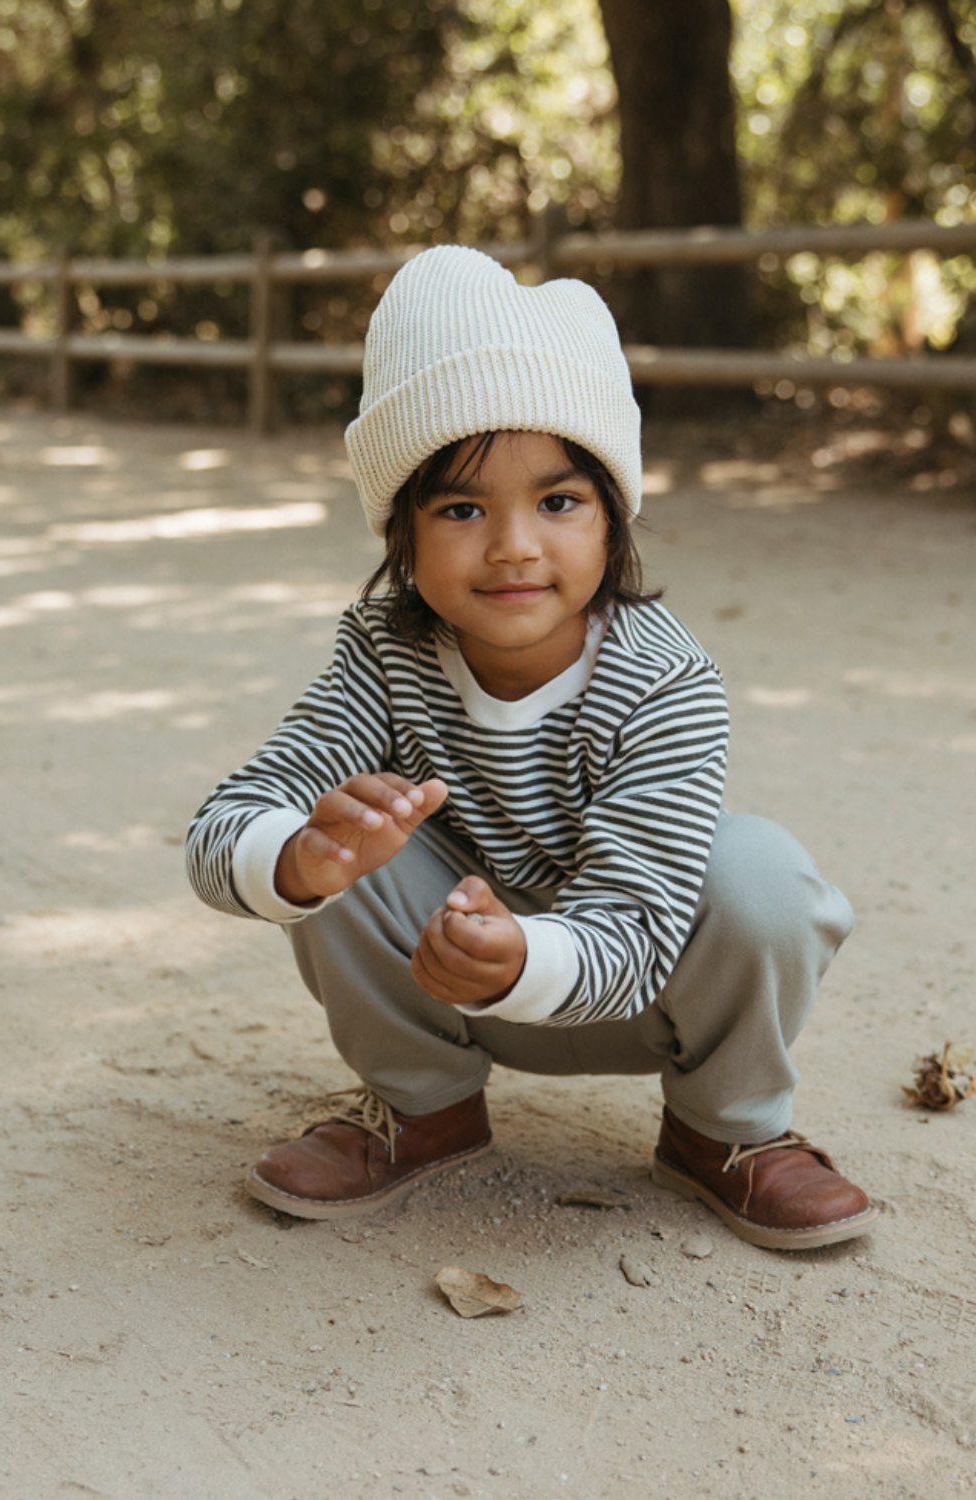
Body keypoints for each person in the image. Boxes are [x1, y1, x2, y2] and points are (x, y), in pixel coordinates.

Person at [186, 244, 876, 1251]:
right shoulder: (385, 652)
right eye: (462, 508)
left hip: (633, 987)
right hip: (440, 982)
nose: (514, 543)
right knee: (342, 828)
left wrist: (518, 960)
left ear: (611, 521)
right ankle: (424, 1108)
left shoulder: (664, 680)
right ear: (403, 539)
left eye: (558, 502)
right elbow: (222, 827)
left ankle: (723, 1131)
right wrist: (300, 858)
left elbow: (638, 930)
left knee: (763, 874)